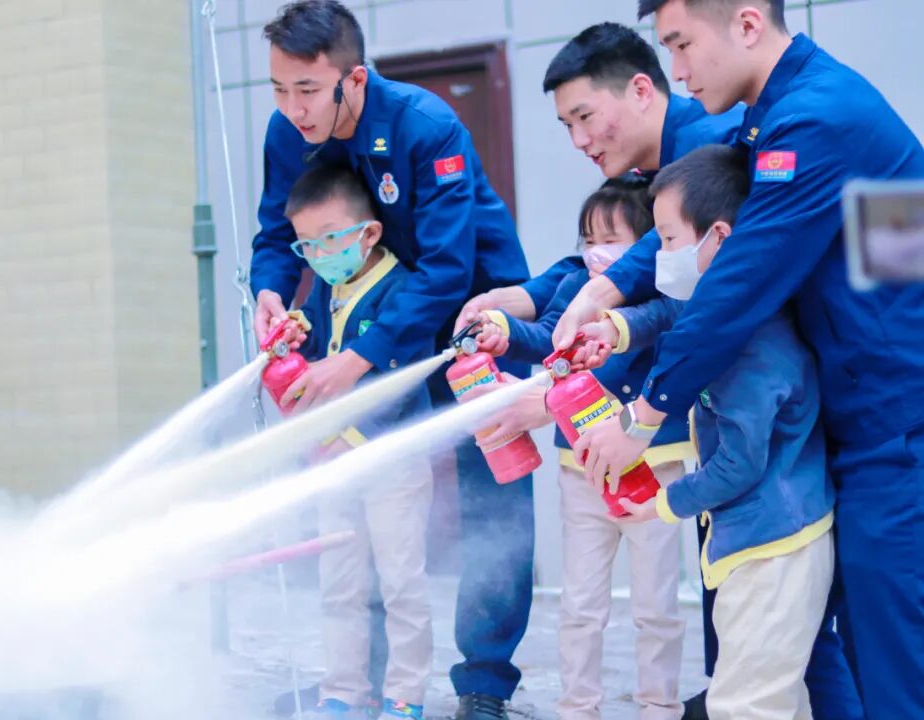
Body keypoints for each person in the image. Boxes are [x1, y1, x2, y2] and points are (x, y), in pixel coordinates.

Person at [557, 1, 924, 716]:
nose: (677, 69)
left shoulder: (816, 118)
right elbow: (689, 240)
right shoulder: (770, 117)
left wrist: (644, 415)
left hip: (895, 419)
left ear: (749, 24)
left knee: (892, 653)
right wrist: (608, 294)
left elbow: (736, 283)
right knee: (841, 648)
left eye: (681, 44)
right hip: (857, 413)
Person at [252, 3, 541, 717]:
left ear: (353, 79)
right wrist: (269, 293)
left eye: (308, 91)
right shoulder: (287, 134)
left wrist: (357, 360)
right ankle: (364, 682)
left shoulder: (426, 126)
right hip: (368, 330)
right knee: (368, 496)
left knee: (491, 502)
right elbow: (274, 233)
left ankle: (483, 684)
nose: (293, 109)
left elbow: (446, 269)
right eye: (280, 91)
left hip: (472, 326)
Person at [584, 142, 835, 719]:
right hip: (764, 539)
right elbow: (674, 314)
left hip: (774, 547)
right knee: (771, 700)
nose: (662, 256)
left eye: (669, 239)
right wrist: (617, 329)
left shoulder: (750, 347)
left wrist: (664, 503)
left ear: (718, 237)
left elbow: (739, 464)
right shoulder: (729, 306)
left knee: (742, 706)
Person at [476, 174, 691, 720]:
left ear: (646, 245)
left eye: (612, 240)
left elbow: (646, 351)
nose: (597, 252)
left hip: (654, 469)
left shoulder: (667, 297)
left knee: (656, 605)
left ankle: (659, 706)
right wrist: (503, 330)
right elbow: (544, 336)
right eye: (589, 239)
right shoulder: (576, 287)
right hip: (581, 470)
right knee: (580, 604)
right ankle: (577, 708)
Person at [456, 21, 740, 328]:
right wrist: (522, 297)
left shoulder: (718, 145)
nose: (578, 140)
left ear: (641, 91)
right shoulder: (643, 170)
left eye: (585, 116)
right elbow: (618, 257)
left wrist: (600, 292)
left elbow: (652, 249)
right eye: (568, 125)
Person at [280, 165, 434, 720]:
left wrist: (351, 433)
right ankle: (341, 690)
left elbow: (401, 378)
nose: (319, 256)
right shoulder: (326, 286)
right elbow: (315, 343)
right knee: (338, 584)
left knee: (402, 584)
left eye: (329, 240)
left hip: (393, 462)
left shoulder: (404, 291)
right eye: (307, 245)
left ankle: (406, 695)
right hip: (334, 463)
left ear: (369, 233)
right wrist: (294, 334)